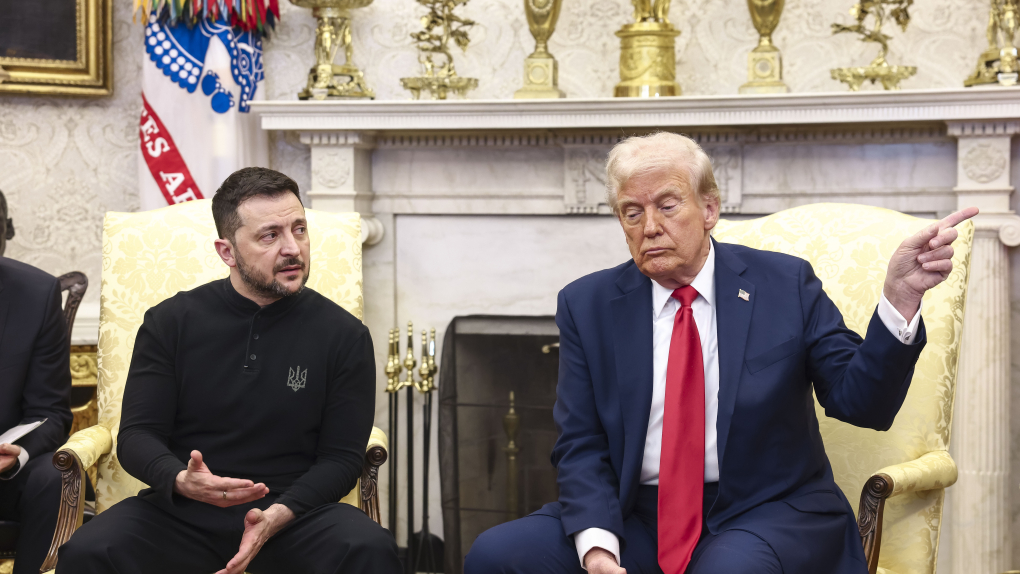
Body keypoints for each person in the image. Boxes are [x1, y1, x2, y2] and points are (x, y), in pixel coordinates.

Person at [465, 132, 977, 574]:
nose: (649, 227)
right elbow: (580, 442)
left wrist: (900, 299)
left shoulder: (784, 285)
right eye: (631, 212)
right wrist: (597, 546)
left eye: (667, 205)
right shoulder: (588, 304)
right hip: (637, 514)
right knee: (497, 553)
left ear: (709, 209)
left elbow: (862, 403)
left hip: (766, 509)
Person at [58, 168, 401, 574]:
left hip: (295, 515)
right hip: (184, 513)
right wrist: (180, 479)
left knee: (370, 548)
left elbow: (341, 458)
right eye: (270, 236)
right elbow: (137, 435)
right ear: (227, 252)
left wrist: (277, 515)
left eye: (299, 229)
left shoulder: (344, 334)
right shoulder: (170, 322)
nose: (293, 248)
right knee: (90, 551)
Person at [0, 188, 73, 574]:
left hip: (3, 471)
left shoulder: (36, 293)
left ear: (8, 229)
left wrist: (16, 453)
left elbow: (51, 411)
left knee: (55, 475)